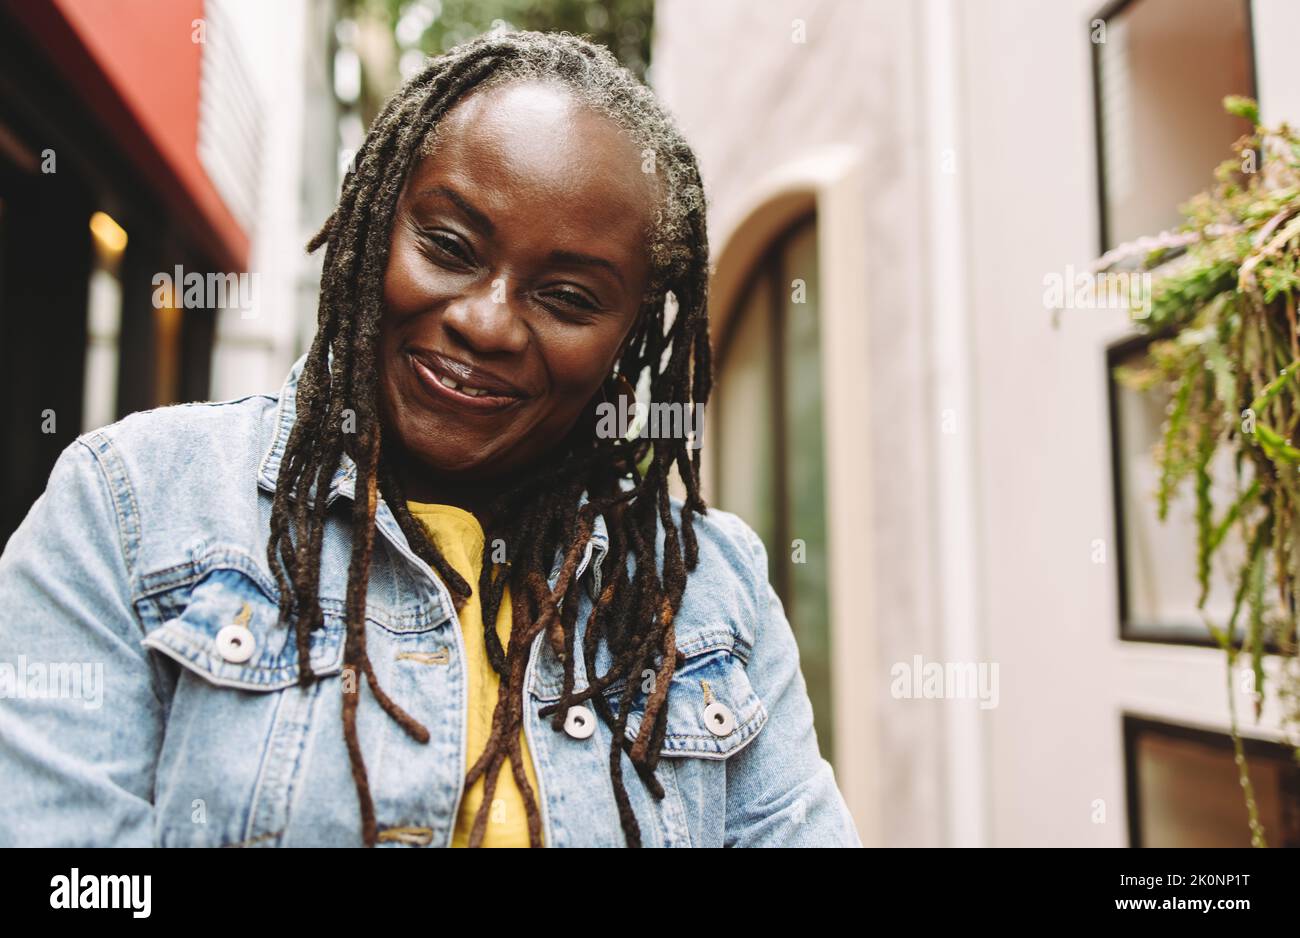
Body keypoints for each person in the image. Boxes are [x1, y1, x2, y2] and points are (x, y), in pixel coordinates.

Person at [0, 29, 859, 848]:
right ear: (374, 222)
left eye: (567, 298)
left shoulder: (710, 595)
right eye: (448, 246)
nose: (487, 323)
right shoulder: (134, 504)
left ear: (630, 338)